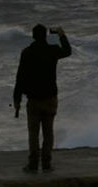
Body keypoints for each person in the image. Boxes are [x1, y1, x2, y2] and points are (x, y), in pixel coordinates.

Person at [13, 24, 72, 172]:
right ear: (46, 36)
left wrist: (17, 99)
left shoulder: (27, 53)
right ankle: (46, 163)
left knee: (33, 133)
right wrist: (61, 34)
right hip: (50, 98)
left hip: (33, 100)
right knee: (48, 132)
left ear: (33, 36)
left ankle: (33, 164)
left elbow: (20, 78)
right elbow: (68, 51)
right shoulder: (52, 51)